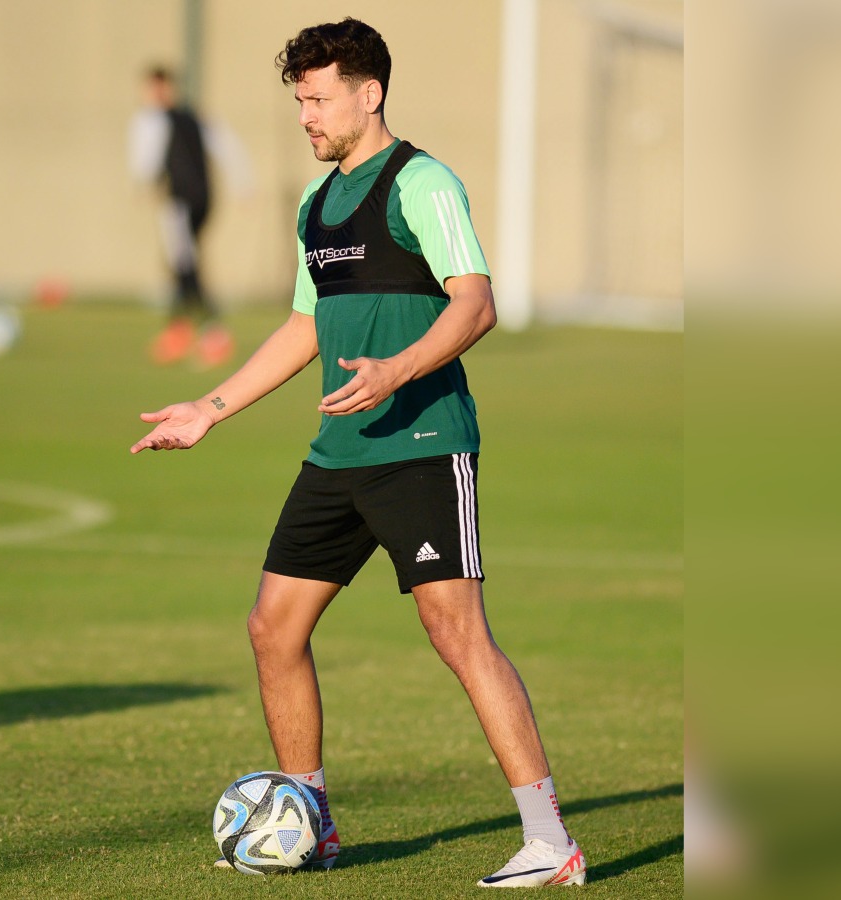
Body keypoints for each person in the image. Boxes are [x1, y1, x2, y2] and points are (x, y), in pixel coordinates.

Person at [131, 18, 585, 888]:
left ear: (367, 93)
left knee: (456, 633)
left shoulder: (424, 183)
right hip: (337, 453)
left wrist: (398, 372)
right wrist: (210, 407)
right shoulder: (316, 206)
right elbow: (304, 326)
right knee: (273, 628)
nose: (305, 115)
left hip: (422, 444)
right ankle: (313, 822)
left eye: (317, 98)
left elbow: (476, 304)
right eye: (298, 99)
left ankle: (549, 841)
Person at [128, 66, 249, 369]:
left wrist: (243, 183)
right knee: (181, 261)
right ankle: (179, 330)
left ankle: (213, 330)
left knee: (184, 263)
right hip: (198, 199)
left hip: (183, 200)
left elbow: (224, 147)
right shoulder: (185, 116)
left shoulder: (159, 119)